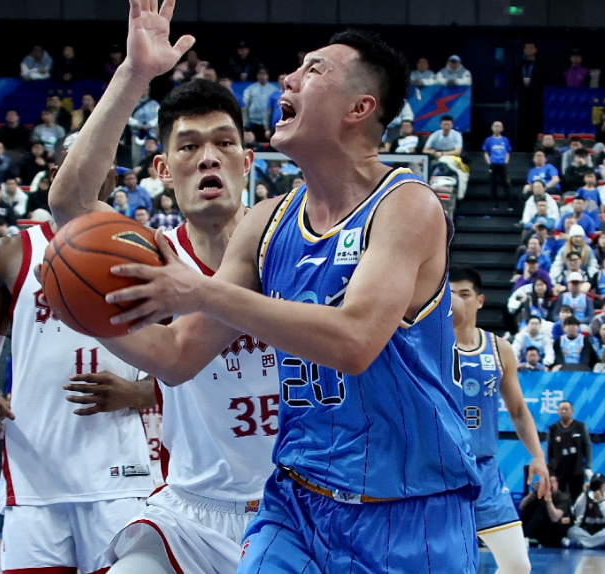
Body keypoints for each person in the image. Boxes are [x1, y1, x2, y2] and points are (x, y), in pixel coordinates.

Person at [48, 5, 480, 573]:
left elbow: (354, 342)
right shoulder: (267, 225)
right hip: (293, 502)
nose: (288, 78)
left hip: (410, 508)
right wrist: (84, 309)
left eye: (314, 70)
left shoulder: (407, 205)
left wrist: (201, 293)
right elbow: (176, 355)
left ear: (359, 108)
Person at [0, 132, 156, 574]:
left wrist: (139, 393)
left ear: (114, 176)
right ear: (53, 175)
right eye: (80, 160)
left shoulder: (150, 250)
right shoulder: (8, 254)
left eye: (104, 160)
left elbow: (189, 356)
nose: (93, 169)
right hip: (34, 473)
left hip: (119, 474)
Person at [451, 267, 545, 574]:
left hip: (485, 470)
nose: (456, 301)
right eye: (449, 294)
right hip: (441, 471)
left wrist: (538, 456)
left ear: (480, 300)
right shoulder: (427, 344)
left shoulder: (499, 348)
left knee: (518, 565)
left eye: (464, 294)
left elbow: (517, 410)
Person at [547, 401, 593, 501]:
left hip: (577, 472)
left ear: (572, 411)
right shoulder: (553, 428)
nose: (564, 411)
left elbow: (587, 447)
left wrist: (588, 467)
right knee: (560, 500)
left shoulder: (580, 427)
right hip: (559, 472)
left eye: (566, 409)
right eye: (561, 409)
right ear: (558, 411)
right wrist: (551, 474)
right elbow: (550, 453)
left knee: (578, 500)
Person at [563, 476, 605, 549]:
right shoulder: (586, 497)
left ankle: (582, 544)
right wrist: (583, 493)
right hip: (586, 531)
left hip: (604, 531)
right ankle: (601, 544)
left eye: (599, 485)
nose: (597, 488)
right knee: (572, 531)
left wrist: (601, 501)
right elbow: (577, 513)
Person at [520, 475, 572, 548]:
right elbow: (521, 507)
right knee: (530, 506)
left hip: (559, 529)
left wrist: (548, 500)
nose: (549, 485)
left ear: (557, 484)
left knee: (543, 509)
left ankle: (525, 535)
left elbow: (555, 518)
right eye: (546, 483)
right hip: (543, 529)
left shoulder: (562, 498)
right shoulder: (540, 495)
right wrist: (533, 493)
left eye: (551, 482)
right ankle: (520, 534)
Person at [482, 121, 513, 210]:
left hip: (502, 164)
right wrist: (489, 162)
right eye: (495, 126)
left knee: (506, 184)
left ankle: (510, 204)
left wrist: (506, 161)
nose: (497, 128)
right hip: (493, 164)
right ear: (492, 127)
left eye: (499, 126)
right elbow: (486, 152)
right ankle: (494, 204)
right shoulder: (488, 140)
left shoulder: (505, 140)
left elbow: (507, 152)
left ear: (502, 128)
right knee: (493, 185)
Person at [243, 67, 278, 142]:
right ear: (257, 76)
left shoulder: (274, 90)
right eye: (260, 74)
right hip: (254, 123)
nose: (262, 76)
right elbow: (246, 106)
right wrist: (246, 123)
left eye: (264, 74)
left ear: (268, 76)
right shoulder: (250, 89)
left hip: (268, 124)